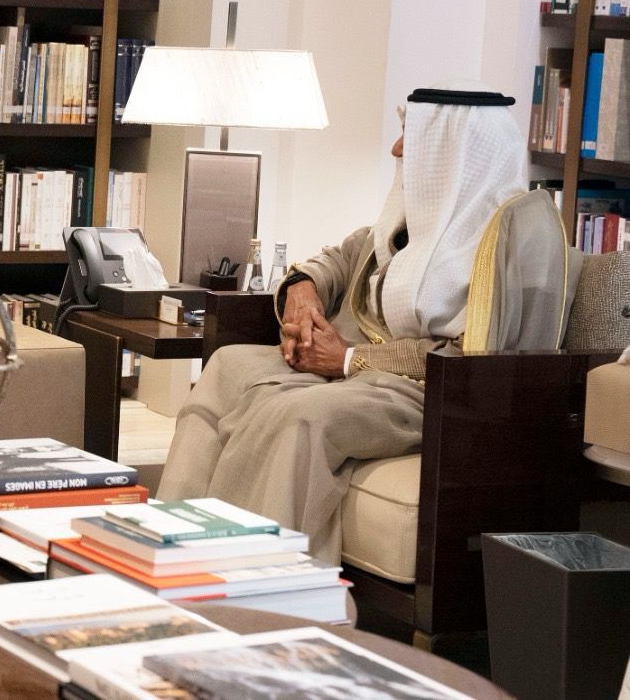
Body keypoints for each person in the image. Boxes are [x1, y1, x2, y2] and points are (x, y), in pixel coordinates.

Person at [156, 88, 531, 564]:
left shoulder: (503, 253)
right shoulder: (402, 225)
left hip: (419, 391)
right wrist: (302, 290)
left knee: (301, 415)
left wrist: (350, 359)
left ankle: (253, 575)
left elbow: (467, 355)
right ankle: (165, 544)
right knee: (227, 366)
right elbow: (337, 259)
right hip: (344, 371)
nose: (396, 148)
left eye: (412, 136)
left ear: (456, 152)